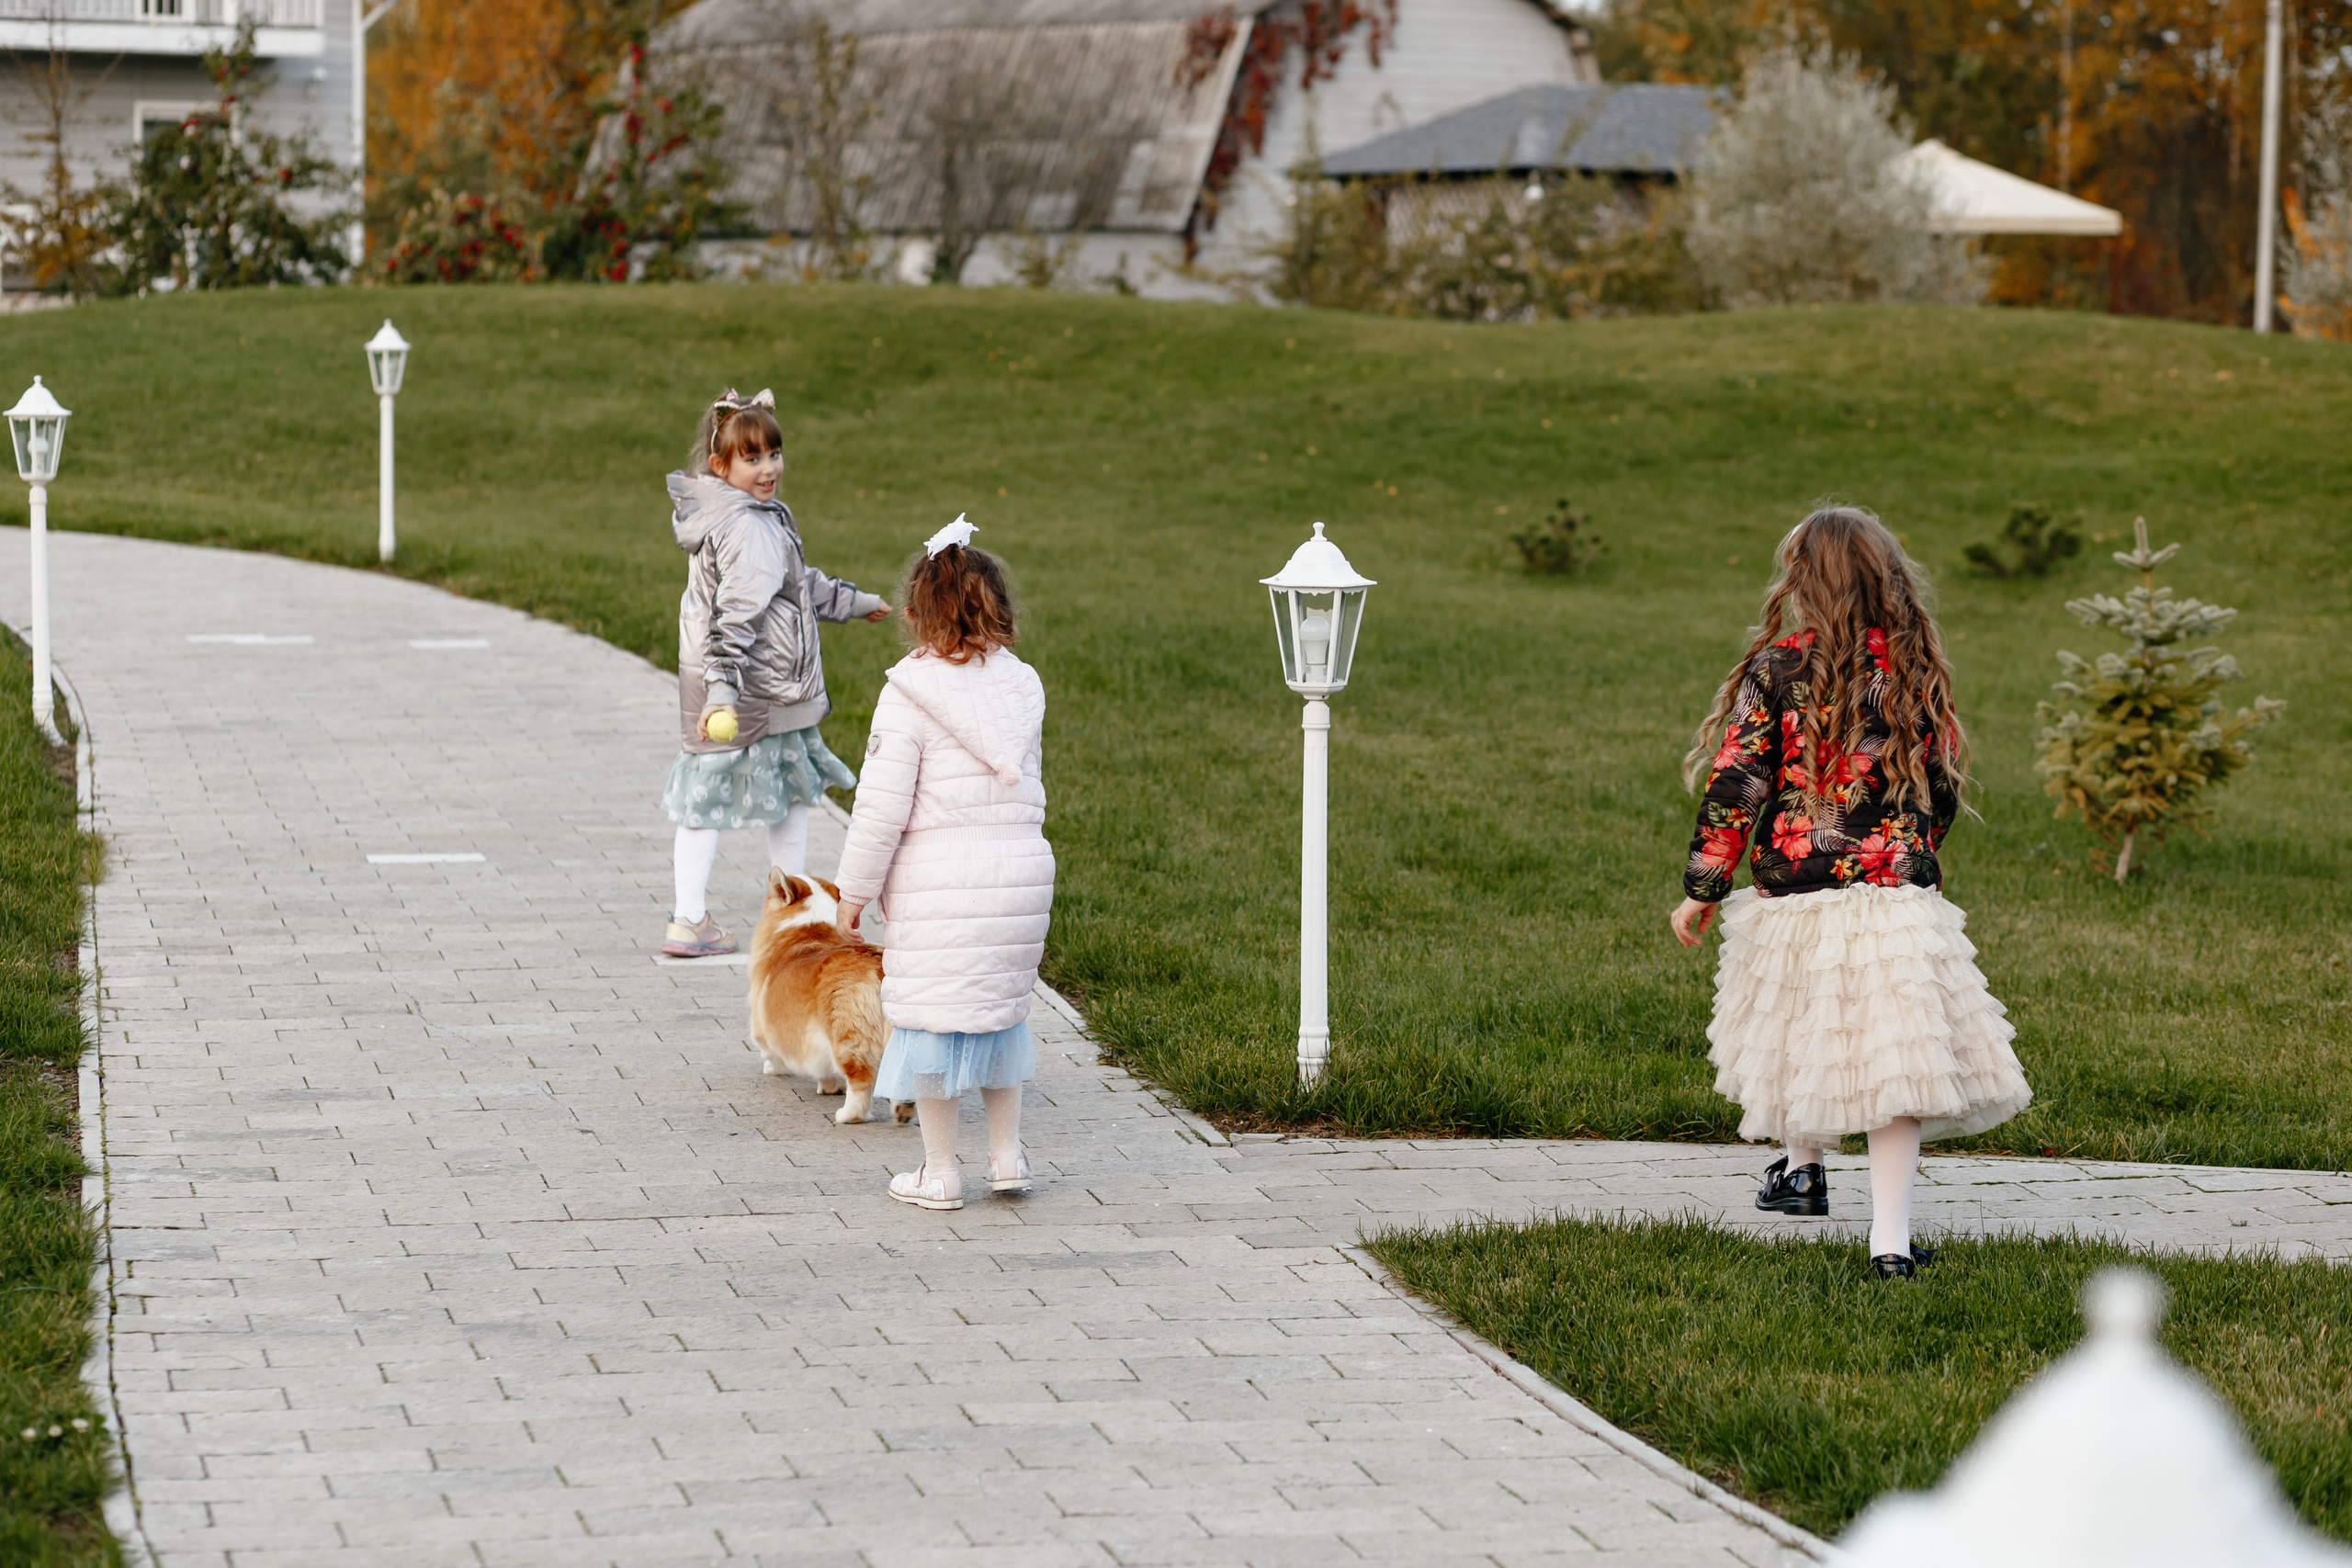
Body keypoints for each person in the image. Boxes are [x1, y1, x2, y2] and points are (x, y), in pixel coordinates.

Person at [1670, 505, 2031, 1279]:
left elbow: (1738, 781)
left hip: (1793, 896)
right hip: (1892, 899)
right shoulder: (1910, 672)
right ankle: (1890, 1243)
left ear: (1803, 583)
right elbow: (1936, 783)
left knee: (1812, 1034)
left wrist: (1705, 884)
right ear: (1885, 580)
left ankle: (1801, 1169)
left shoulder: (1777, 670)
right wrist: (1915, 858)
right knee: (1891, 1069)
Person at [834, 518, 1054, 1211]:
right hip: (1018, 879)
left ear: (912, 616)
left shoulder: (909, 695)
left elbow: (879, 809)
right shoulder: (1022, 688)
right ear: (999, 610)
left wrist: (853, 893)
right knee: (997, 1015)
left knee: (931, 1024)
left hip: (939, 883)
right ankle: (1007, 1154)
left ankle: (939, 1170)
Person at [661, 389, 891, 958]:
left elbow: (795, 583)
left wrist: (855, 602)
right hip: (754, 690)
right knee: (779, 796)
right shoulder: (750, 526)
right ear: (721, 466)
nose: (769, 469)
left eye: (774, 454)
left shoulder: (731, 514)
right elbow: (736, 616)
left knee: (712, 795)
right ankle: (783, 915)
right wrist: (723, 692)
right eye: (753, 458)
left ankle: (689, 918)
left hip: (732, 687)